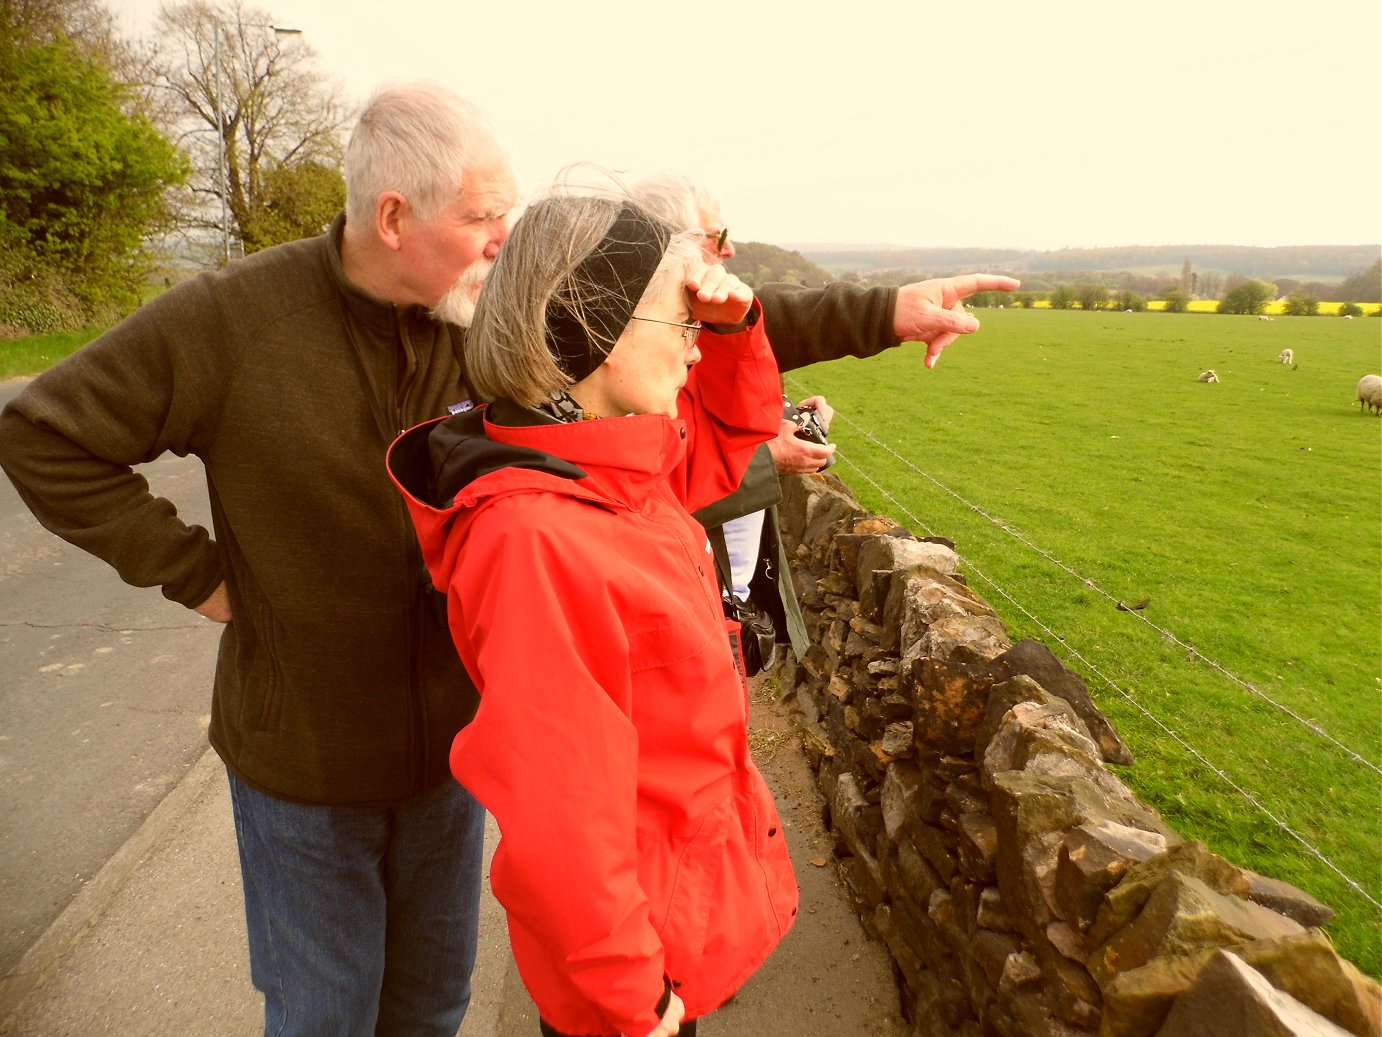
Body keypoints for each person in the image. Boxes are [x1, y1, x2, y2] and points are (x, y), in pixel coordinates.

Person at [0, 82, 520, 1035]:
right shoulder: (232, 318)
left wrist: (870, 313)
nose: (502, 239)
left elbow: (643, 335)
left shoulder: (478, 318)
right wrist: (193, 572)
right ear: (394, 216)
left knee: (433, 1009)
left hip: (450, 760)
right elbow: (41, 434)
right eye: (485, 216)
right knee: (326, 1017)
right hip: (303, 771)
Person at [387, 192, 795, 1037]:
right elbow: (558, 807)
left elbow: (735, 431)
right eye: (679, 321)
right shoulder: (538, 537)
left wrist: (734, 325)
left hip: (671, 920)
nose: (692, 345)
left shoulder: (616, 472)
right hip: (630, 977)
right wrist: (633, 1000)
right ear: (592, 332)